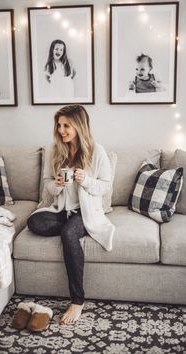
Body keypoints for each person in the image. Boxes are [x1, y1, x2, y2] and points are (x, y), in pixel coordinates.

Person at [27, 104, 115, 325]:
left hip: (85, 212)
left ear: (79, 125)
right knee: (34, 221)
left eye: (66, 125)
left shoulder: (97, 152)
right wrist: (57, 185)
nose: (61, 130)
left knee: (68, 234)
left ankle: (77, 300)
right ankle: (73, 230)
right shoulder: (55, 150)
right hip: (61, 211)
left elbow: (106, 186)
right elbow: (48, 183)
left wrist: (86, 180)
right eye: (59, 125)